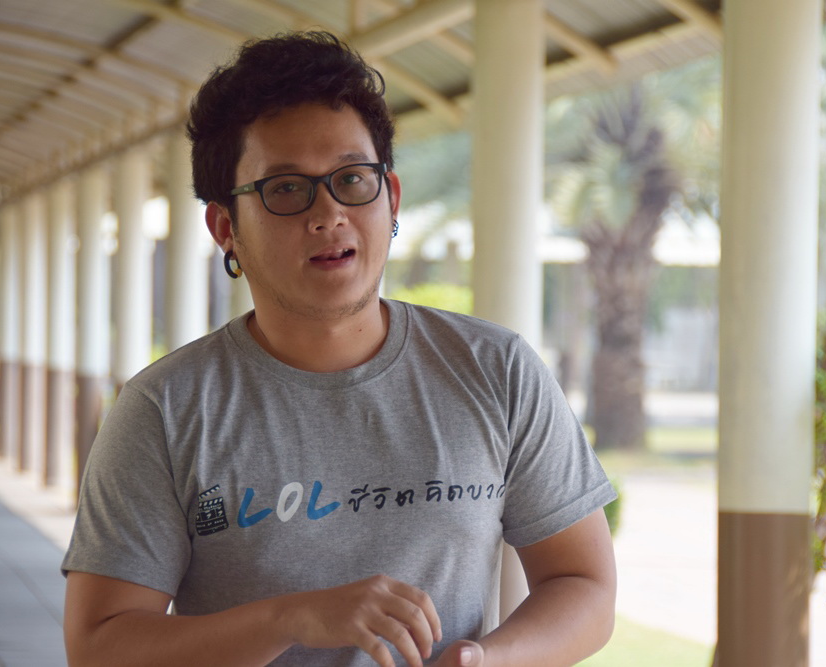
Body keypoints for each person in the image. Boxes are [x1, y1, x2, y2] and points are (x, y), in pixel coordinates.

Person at [61, 31, 617, 667]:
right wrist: (290, 618)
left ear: (391, 198)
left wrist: (486, 660)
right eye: (285, 188)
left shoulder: (497, 371)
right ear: (225, 228)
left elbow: (583, 584)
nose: (328, 214)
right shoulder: (165, 410)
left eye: (352, 179)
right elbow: (99, 646)